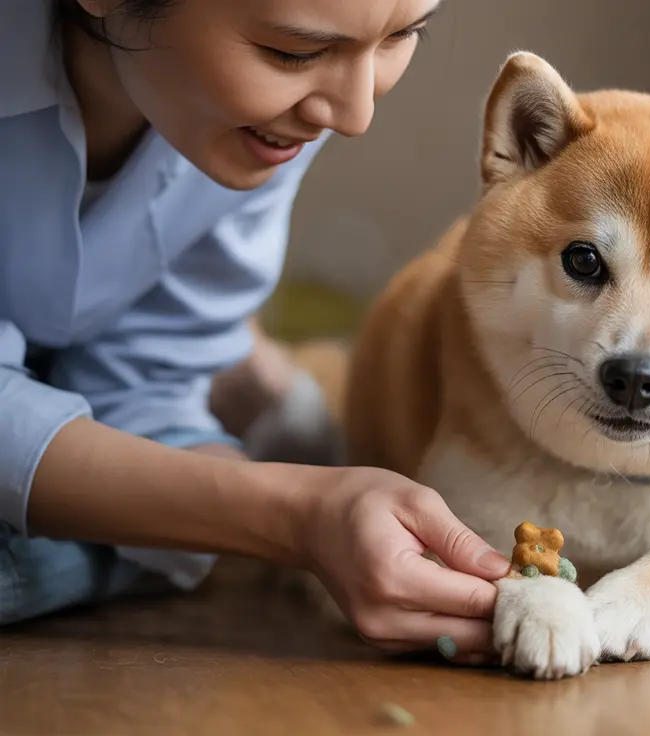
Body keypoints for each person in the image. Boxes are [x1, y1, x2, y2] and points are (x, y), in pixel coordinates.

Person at [0, 0, 507, 663]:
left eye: (405, 34)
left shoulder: (260, 125)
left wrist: (316, 518)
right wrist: (293, 514)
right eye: (295, 52)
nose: (354, 116)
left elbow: (149, 383)